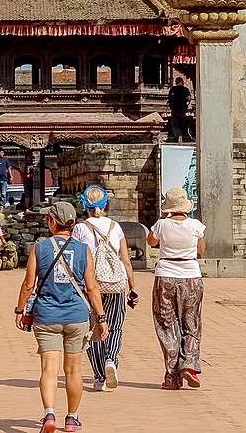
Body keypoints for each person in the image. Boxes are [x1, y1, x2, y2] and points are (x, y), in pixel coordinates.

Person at [15, 201, 108, 433]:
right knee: (74, 371)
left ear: (52, 222)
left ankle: (49, 415)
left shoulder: (39, 248)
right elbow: (93, 287)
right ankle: (72, 418)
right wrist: (102, 317)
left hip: (47, 315)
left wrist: (19, 310)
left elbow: (28, 284)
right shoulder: (83, 250)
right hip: (76, 316)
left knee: (49, 369)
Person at [71, 185, 136, 392]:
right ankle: (111, 359)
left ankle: (100, 376)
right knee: (115, 326)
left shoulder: (81, 228)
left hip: (91, 285)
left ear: (86, 205)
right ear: (104, 204)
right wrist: (132, 286)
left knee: (94, 329)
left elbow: (73, 259)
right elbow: (125, 261)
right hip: (116, 284)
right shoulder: (115, 227)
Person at [146, 188, 206, 390]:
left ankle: (172, 376)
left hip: (165, 275)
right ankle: (188, 364)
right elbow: (201, 250)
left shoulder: (162, 224)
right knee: (191, 323)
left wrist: (162, 217)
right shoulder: (196, 225)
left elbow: (150, 242)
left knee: (166, 324)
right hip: (190, 274)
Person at [166, 77, 192, 141]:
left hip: (174, 109)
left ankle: (178, 136)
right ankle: (180, 136)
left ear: (176, 82)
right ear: (182, 82)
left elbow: (169, 98)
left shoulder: (172, 89)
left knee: (174, 124)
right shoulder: (185, 89)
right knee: (181, 124)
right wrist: (187, 104)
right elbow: (189, 98)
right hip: (182, 109)